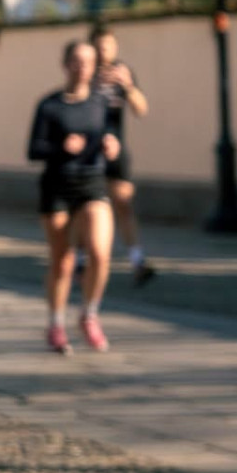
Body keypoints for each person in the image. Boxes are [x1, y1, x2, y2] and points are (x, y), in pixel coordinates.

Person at [28, 39, 120, 353]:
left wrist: (111, 144)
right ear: (65, 64)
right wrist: (60, 148)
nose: (82, 67)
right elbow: (33, 150)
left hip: (92, 183)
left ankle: (89, 314)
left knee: (100, 254)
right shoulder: (50, 105)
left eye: (88, 62)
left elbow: (108, 132)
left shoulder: (99, 102)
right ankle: (55, 324)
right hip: (57, 185)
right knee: (63, 262)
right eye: (77, 61)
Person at [88, 24, 156, 285]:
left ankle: (137, 259)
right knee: (87, 208)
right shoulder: (85, 72)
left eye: (109, 45)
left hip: (116, 148)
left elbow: (141, 109)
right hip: (88, 151)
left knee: (123, 203)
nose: (105, 50)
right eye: (100, 45)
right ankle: (81, 259)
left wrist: (127, 86)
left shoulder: (122, 73)